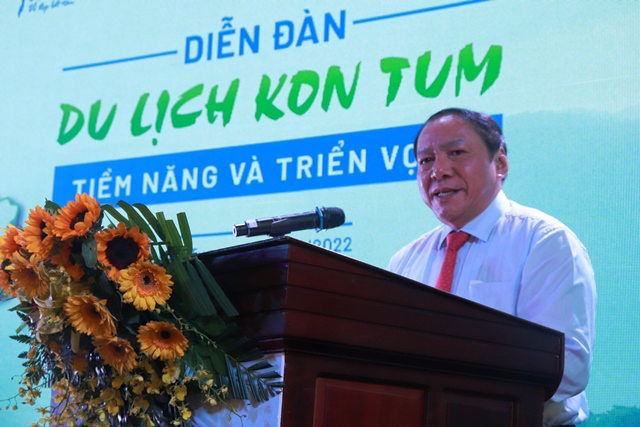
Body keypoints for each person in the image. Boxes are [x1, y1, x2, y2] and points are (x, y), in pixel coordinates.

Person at [388, 108, 596, 427]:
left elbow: (567, 368)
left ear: (499, 163)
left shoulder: (544, 242)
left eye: (456, 153)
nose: (438, 171)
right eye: (426, 160)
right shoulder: (405, 260)